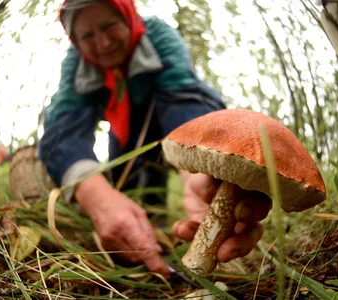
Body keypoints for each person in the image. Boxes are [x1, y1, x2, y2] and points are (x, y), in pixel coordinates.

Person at [38, 0, 272, 277]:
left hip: (164, 126)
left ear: (127, 17)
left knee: (154, 163)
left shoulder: (158, 36)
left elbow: (184, 98)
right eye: (87, 36)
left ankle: (163, 232)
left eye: (109, 26)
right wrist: (96, 196)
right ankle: (143, 234)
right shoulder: (76, 63)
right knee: (125, 182)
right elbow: (64, 126)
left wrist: (200, 170)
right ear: (75, 41)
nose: (102, 43)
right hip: (122, 133)